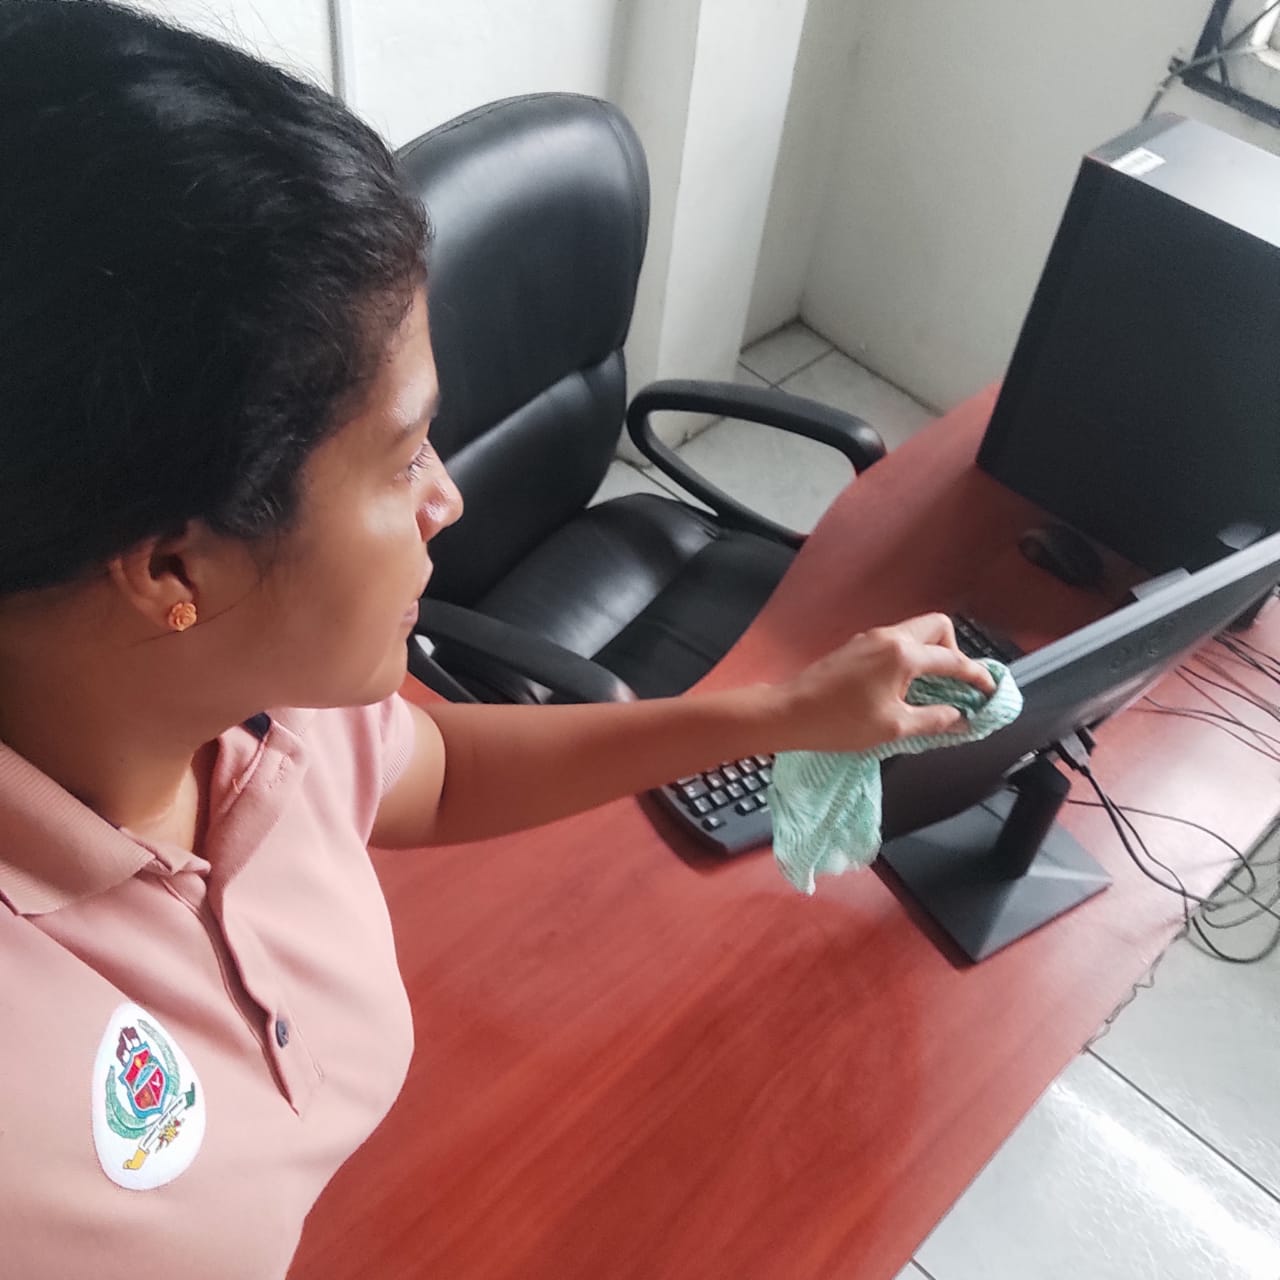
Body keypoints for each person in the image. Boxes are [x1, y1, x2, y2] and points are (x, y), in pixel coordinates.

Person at [0, 2, 995, 1276]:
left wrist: (781, 713)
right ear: (172, 568)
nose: (446, 498)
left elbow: (429, 770)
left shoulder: (254, 698)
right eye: (403, 455)